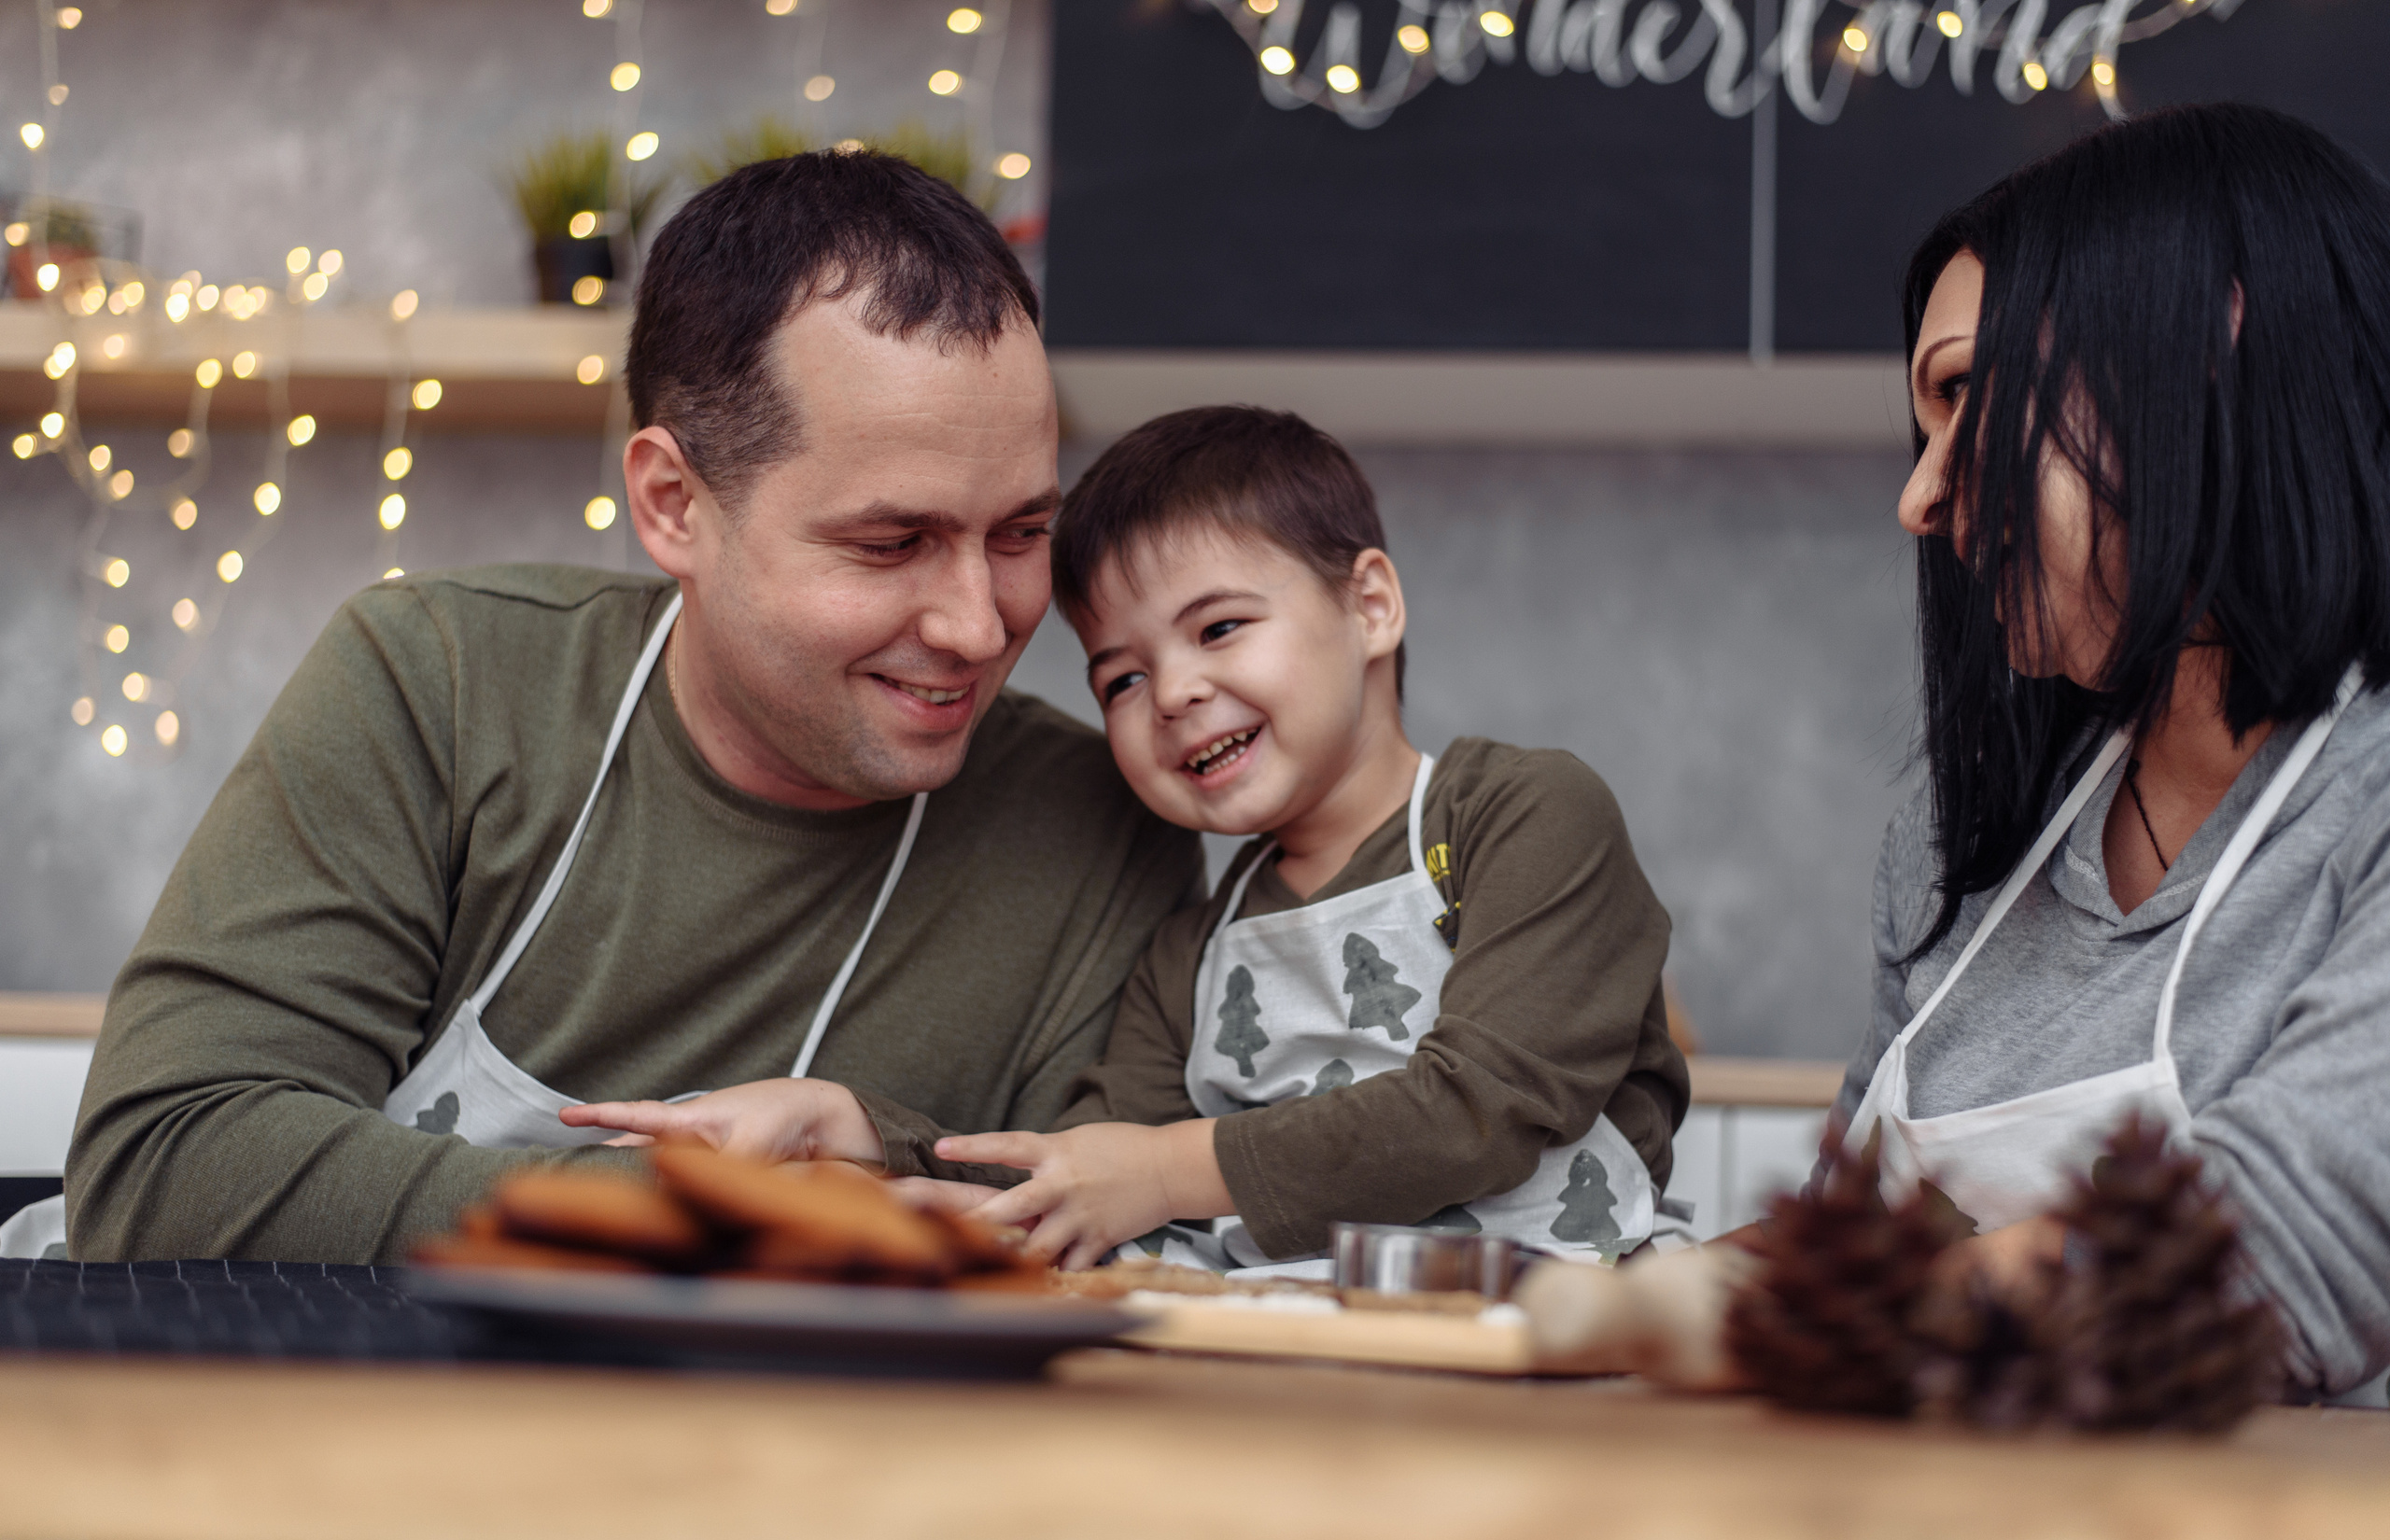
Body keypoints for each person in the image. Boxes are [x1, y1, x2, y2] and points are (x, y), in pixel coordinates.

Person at [29, 152, 1201, 1265]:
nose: (977, 624)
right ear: (673, 502)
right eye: (891, 542)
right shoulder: (437, 677)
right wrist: (716, 1212)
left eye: (1020, 534)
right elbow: (167, 1165)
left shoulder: (1102, 825)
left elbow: (1108, 1243)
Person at [568, 406, 1690, 1271]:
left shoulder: (1518, 815)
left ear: (1370, 607)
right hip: (1302, 1378)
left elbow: (1481, 1108)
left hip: (1579, 1346)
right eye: (1123, 676)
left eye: (1220, 627)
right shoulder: (1188, 957)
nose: (1176, 692)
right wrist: (855, 1130)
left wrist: (1161, 1168)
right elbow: (1087, 1174)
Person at [1835, 104, 2390, 1403]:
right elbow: (1850, 1234)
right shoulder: (1958, 838)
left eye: (1967, 392)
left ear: (2209, 344)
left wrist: (1779, 1312)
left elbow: (2286, 1253)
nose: (1919, 495)